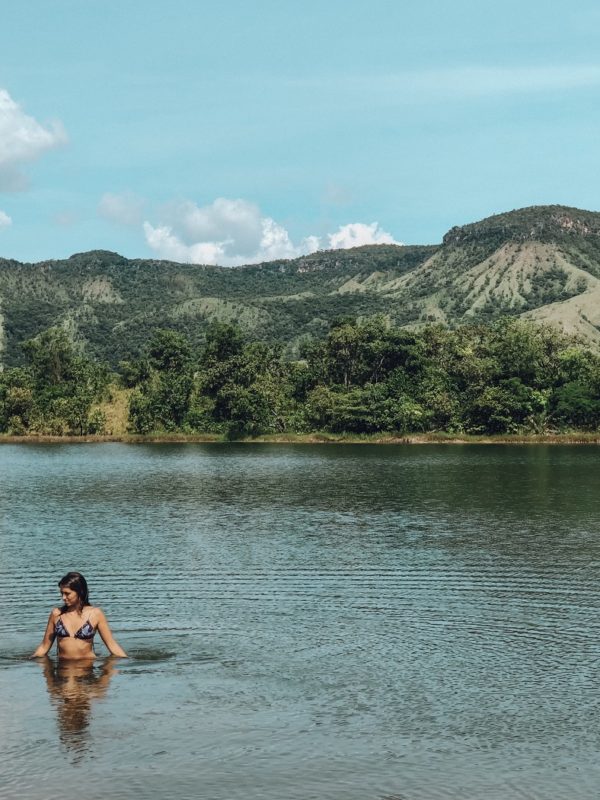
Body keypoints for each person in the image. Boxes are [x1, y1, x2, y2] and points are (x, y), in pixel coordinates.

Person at [31, 572, 127, 659]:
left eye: (67, 593)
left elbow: (112, 645)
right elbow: (44, 647)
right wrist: (30, 659)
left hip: (87, 671)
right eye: (61, 593)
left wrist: (127, 662)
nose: (63, 597)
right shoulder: (56, 614)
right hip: (62, 670)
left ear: (80, 592)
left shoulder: (96, 614)